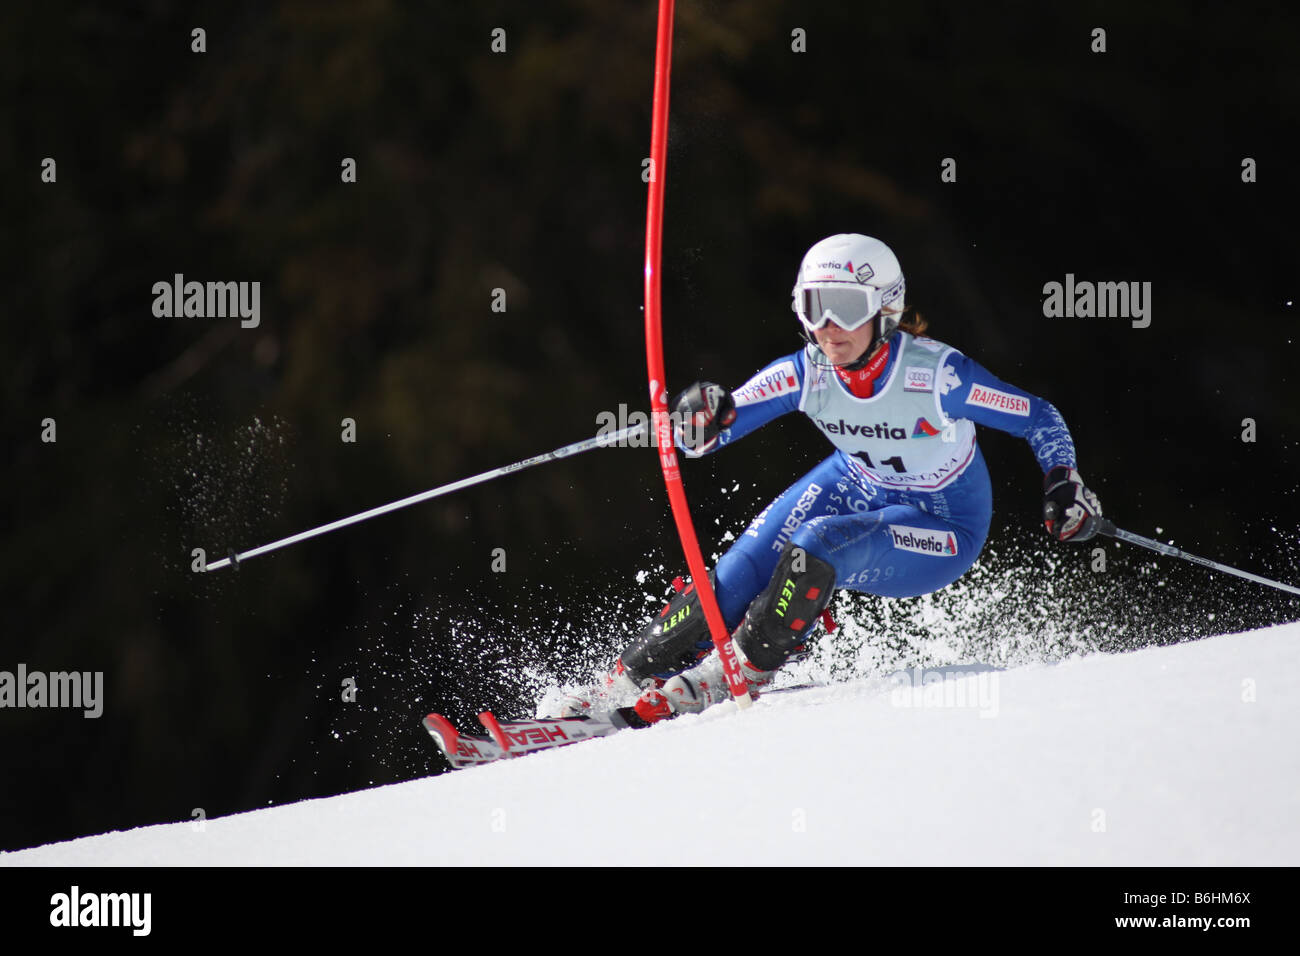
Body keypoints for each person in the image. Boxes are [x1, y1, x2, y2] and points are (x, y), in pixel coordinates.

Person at [546, 233, 1102, 724]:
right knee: (734, 576)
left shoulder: (936, 375)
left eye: (843, 308)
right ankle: (615, 688)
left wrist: (1064, 482)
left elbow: (1037, 417)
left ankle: (736, 672)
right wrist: (699, 418)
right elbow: (718, 427)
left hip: (943, 522)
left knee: (818, 544)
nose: (827, 327)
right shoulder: (808, 371)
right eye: (813, 307)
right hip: (854, 481)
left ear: (885, 309)